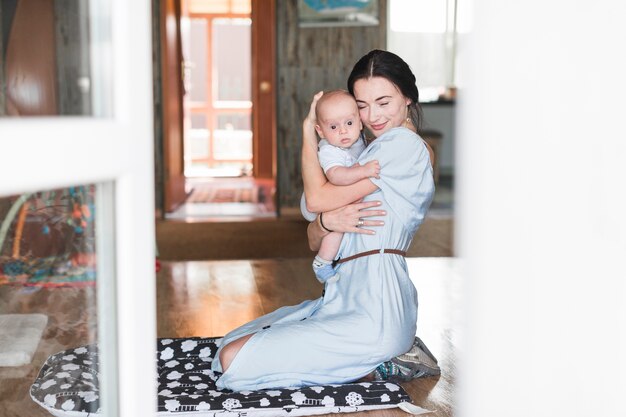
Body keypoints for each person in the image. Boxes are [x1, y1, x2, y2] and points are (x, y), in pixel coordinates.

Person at [211, 50, 440, 391]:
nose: (372, 116)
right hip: (343, 296)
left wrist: (307, 132)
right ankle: (376, 361)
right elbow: (313, 231)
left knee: (235, 360)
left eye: (383, 102)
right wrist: (327, 222)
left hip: (376, 308)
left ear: (408, 98)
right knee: (231, 344)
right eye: (361, 105)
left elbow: (315, 199)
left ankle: (384, 365)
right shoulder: (363, 151)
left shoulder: (404, 145)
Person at [299, 89, 380, 284]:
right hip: (323, 197)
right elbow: (336, 176)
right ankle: (323, 261)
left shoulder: (357, 139)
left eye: (349, 123)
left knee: (343, 222)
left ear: (360, 123)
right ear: (321, 131)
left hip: (333, 195)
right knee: (339, 226)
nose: (343, 131)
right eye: (333, 126)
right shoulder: (329, 149)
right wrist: (363, 171)